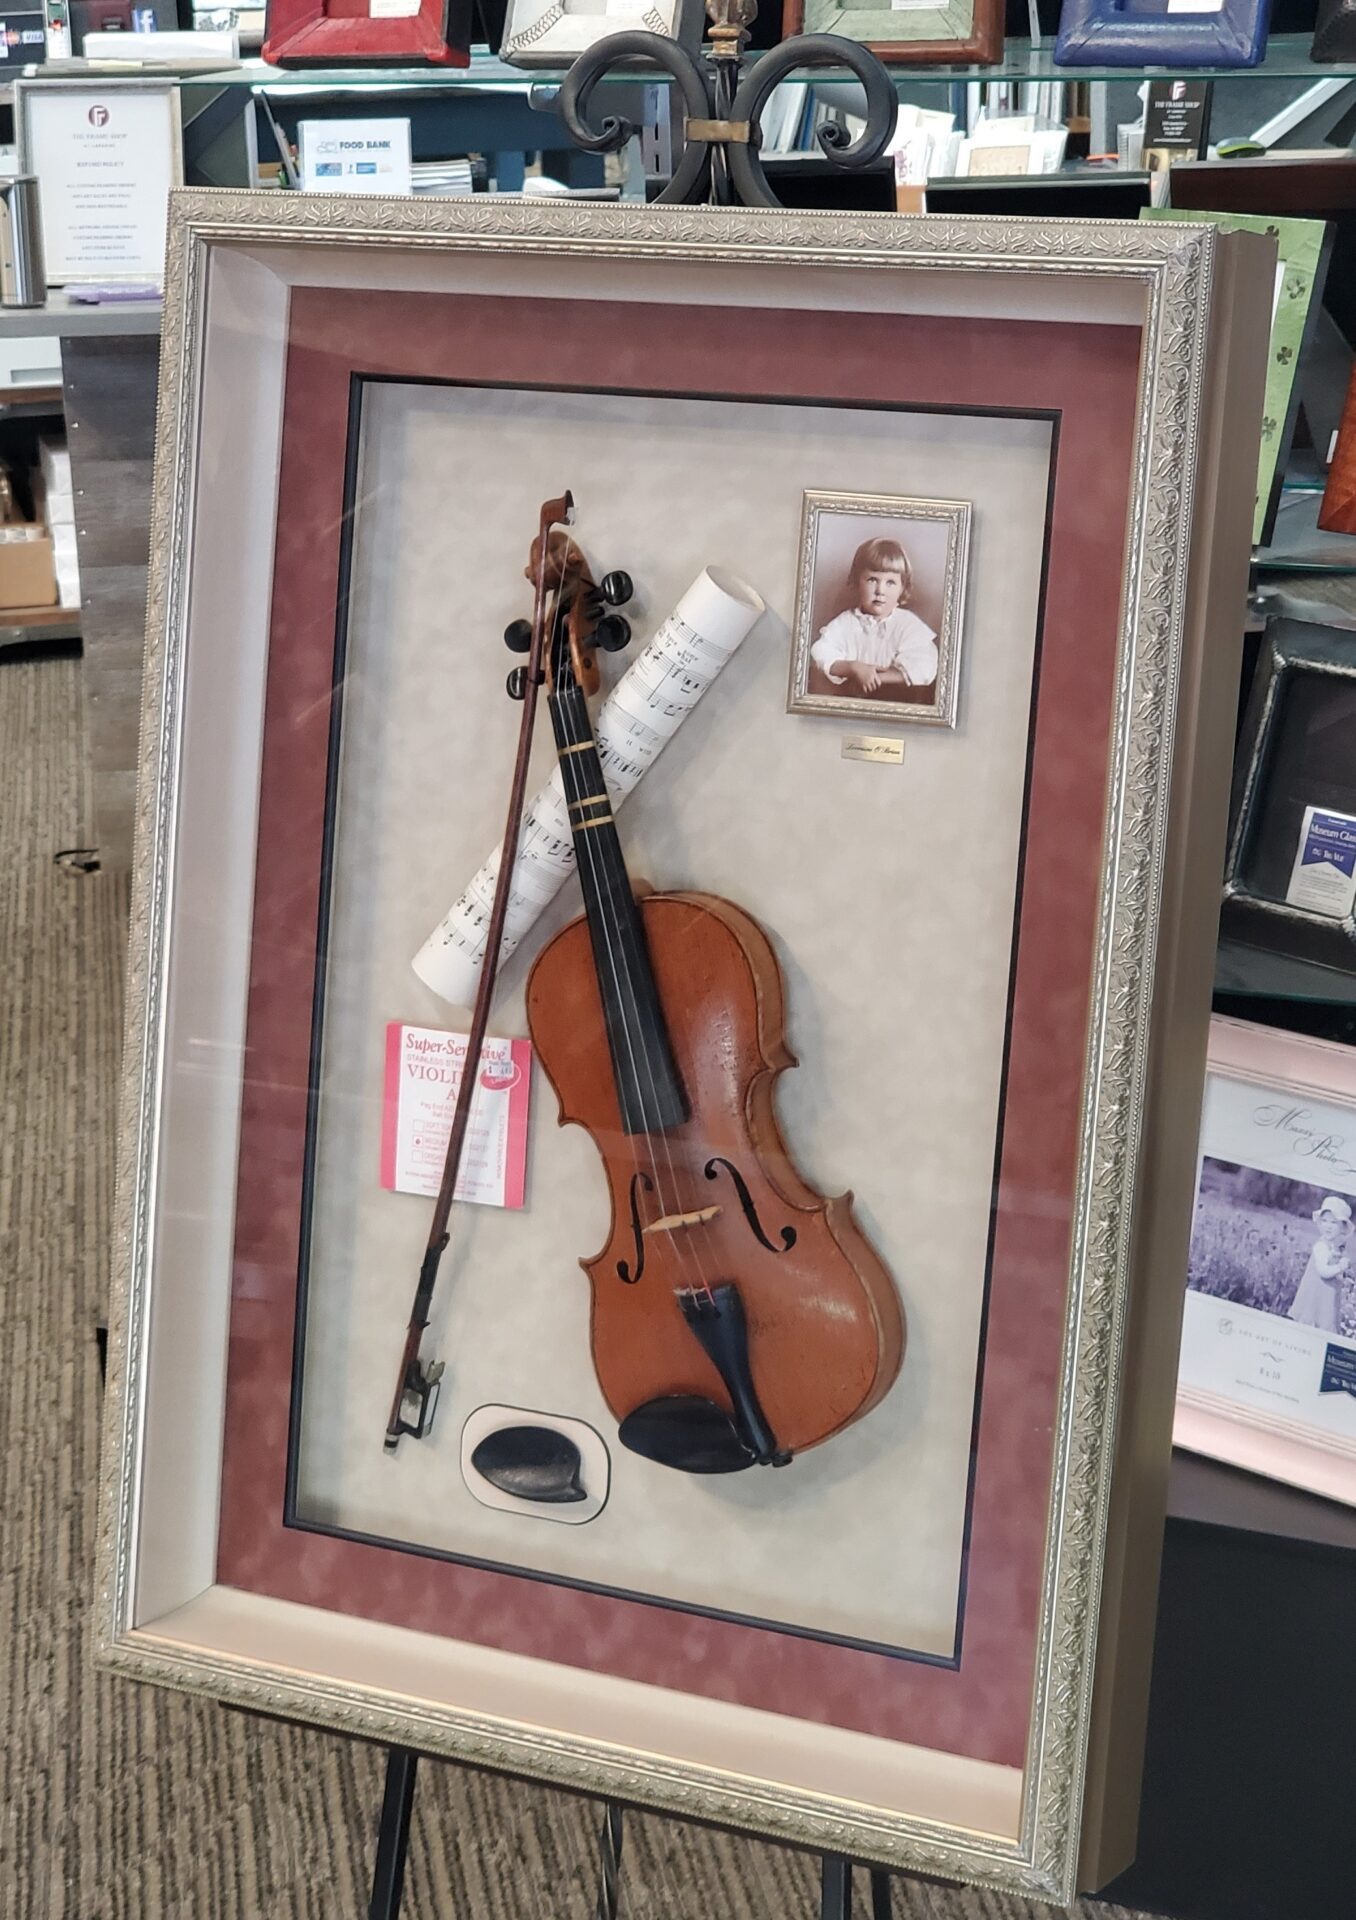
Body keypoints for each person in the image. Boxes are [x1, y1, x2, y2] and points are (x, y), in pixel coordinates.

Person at [809, 535, 938, 700]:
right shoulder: (845, 623)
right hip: (850, 699)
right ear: (857, 582)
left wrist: (875, 678)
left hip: (897, 699)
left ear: (902, 588)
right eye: (872, 580)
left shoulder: (907, 624)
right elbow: (821, 653)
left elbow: (924, 666)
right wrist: (854, 668)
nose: (880, 591)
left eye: (890, 582)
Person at [1287, 1194, 1352, 1334]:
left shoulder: (1334, 1247)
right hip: (1314, 1299)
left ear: (1343, 1227)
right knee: (1309, 1328)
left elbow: (1335, 1275)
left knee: (1323, 1328)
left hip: (1326, 1300)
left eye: (1334, 1222)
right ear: (1319, 1223)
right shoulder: (1321, 1246)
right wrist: (1339, 1267)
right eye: (1324, 1221)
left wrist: (1341, 1272)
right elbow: (1323, 1271)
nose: (1328, 1226)